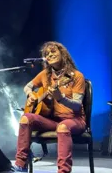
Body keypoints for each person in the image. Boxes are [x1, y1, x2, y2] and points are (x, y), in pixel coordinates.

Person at [12, 41, 86, 173]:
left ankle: (63, 171)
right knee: (25, 118)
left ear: (62, 54)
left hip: (74, 120)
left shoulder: (76, 76)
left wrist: (61, 98)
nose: (50, 55)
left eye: (53, 52)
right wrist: (31, 95)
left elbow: (76, 106)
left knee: (63, 127)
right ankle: (21, 165)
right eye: (47, 54)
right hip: (52, 121)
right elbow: (27, 86)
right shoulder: (45, 74)